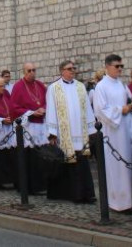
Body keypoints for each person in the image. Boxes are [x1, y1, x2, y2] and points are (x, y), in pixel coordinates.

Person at [45, 59, 96, 203]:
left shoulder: (80, 87)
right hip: (64, 132)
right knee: (68, 163)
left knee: (83, 162)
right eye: (69, 69)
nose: (73, 71)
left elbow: (87, 108)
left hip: (80, 131)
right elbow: (51, 110)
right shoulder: (54, 88)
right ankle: (74, 194)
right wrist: (52, 132)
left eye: (73, 68)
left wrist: (92, 129)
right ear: (62, 71)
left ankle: (87, 193)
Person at [91, 55, 132, 211]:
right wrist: (120, 110)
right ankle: (117, 202)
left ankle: (130, 201)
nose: (120, 69)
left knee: (127, 165)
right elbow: (100, 110)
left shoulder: (122, 85)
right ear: (107, 67)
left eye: (121, 66)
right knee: (115, 168)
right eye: (117, 66)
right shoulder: (101, 86)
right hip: (112, 133)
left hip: (125, 129)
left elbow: (130, 101)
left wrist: (130, 107)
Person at [10, 62, 48, 193]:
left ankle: (40, 185)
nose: (32, 73)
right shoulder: (18, 86)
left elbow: (47, 101)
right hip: (27, 126)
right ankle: (28, 187)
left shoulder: (40, 85)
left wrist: (43, 108)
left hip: (41, 125)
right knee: (29, 157)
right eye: (29, 71)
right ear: (24, 72)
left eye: (34, 70)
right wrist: (32, 112)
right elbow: (14, 107)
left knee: (40, 156)